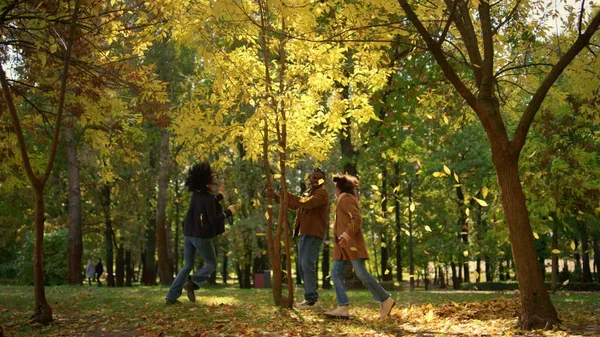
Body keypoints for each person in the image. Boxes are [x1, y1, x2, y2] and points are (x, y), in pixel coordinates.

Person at [165, 162, 238, 304]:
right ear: (205, 184)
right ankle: (192, 283)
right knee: (211, 264)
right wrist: (229, 211)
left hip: (188, 234)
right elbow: (213, 219)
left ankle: (171, 297)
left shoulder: (196, 195)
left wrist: (220, 195)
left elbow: (208, 203)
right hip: (201, 236)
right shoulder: (207, 198)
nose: (213, 184)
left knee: (187, 265)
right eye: (212, 182)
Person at [325, 174, 395, 319]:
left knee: (362, 274)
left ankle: (386, 299)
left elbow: (357, 218)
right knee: (335, 274)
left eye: (335, 188)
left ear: (339, 188)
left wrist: (346, 234)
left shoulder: (345, 199)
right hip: (342, 246)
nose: (334, 191)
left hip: (351, 245)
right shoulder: (343, 199)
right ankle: (342, 306)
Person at [266, 168, 329, 308]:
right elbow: (295, 205)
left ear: (322, 180)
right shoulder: (307, 192)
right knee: (302, 265)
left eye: (318, 178)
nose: (314, 180)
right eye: (312, 177)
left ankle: (312, 299)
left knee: (307, 264)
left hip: (314, 233)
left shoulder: (322, 193)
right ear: (309, 179)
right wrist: (277, 196)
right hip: (303, 233)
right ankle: (309, 297)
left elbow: (307, 203)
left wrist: (286, 194)